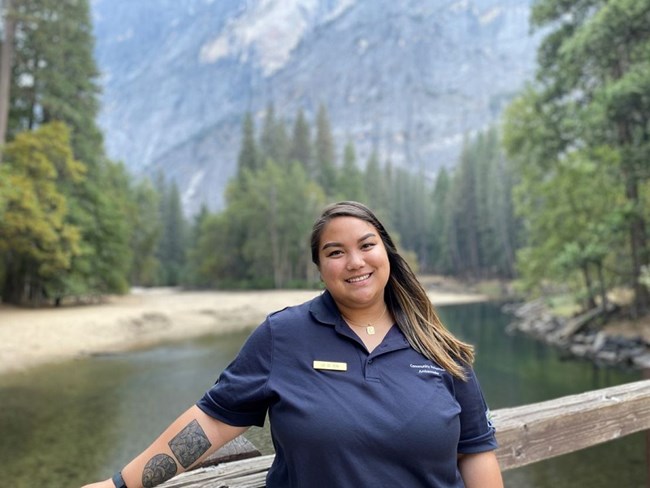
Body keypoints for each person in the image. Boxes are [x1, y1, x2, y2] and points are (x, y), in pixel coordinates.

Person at [82, 201, 503, 488]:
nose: (355, 262)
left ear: (387, 253)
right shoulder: (284, 335)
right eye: (335, 252)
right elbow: (211, 421)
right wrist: (122, 483)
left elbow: (476, 451)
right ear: (320, 269)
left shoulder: (438, 347)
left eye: (367, 245)